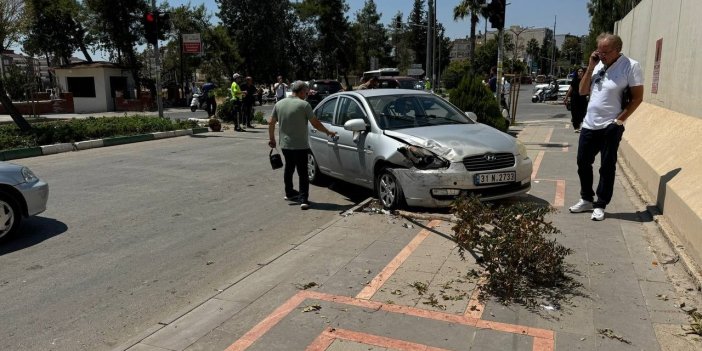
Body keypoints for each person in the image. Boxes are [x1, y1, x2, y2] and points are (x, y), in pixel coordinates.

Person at [569, 33, 644, 221]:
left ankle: (600, 204)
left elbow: (637, 98)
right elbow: (583, 91)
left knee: (607, 166)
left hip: (611, 125)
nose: (601, 55)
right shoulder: (597, 65)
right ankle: (586, 198)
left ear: (617, 49)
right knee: (582, 163)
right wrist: (590, 66)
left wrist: (618, 122)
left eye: (606, 52)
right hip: (589, 124)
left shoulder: (631, 66)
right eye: (599, 51)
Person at [267, 81, 337, 210]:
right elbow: (315, 123)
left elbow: (271, 123)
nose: (306, 94)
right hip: (300, 145)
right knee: (303, 172)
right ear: (300, 91)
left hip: (285, 145)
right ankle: (303, 199)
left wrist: (272, 139)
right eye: (305, 92)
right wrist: (328, 132)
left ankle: (289, 193)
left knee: (289, 169)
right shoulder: (304, 105)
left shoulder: (279, 103)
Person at [564, 67, 588, 132]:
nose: (580, 73)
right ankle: (576, 127)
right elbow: (570, 90)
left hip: (582, 98)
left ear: (584, 73)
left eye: (581, 71)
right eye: (579, 71)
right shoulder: (574, 80)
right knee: (574, 113)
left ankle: (579, 125)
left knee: (582, 112)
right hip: (574, 98)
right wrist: (566, 98)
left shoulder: (586, 80)